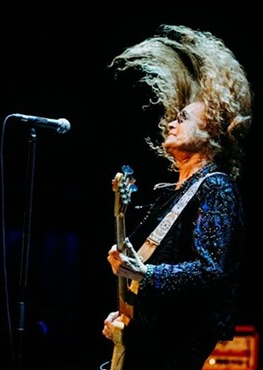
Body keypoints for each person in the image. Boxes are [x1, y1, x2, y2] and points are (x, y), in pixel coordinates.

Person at [101, 24, 253, 370]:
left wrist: (145, 274)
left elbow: (208, 272)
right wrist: (128, 323)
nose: (171, 123)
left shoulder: (216, 187)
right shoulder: (174, 193)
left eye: (183, 118)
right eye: (173, 116)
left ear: (212, 129)